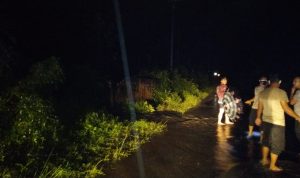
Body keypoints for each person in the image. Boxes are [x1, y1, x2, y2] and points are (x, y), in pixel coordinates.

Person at [255, 76, 300, 172]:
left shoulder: (263, 92)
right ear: (279, 82)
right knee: (277, 144)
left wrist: (258, 117)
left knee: (266, 141)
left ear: (270, 82)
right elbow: (286, 108)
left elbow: (260, 107)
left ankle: (264, 160)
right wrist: (297, 117)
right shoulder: (281, 92)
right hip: (277, 122)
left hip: (265, 121)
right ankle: (272, 165)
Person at [290, 77, 300, 142]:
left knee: (298, 134)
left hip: (299, 117)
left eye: (295, 81)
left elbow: (291, 102)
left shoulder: (298, 92)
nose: (293, 83)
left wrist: (292, 92)